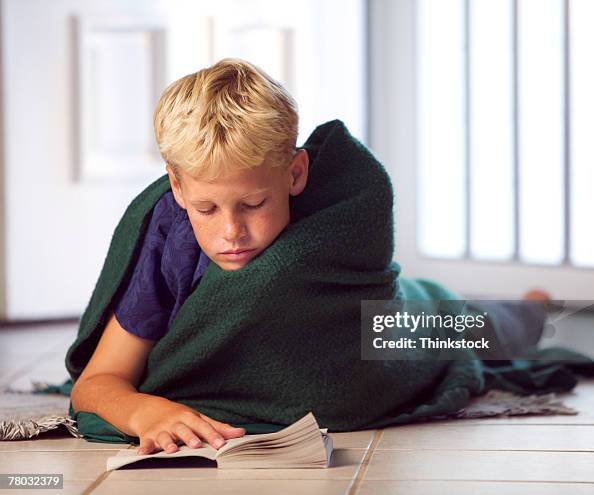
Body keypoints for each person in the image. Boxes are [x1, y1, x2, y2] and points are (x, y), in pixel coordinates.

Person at [69, 57, 550, 457]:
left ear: (296, 173)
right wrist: (143, 410)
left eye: (255, 204)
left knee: (476, 326)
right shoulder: (170, 243)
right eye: (206, 208)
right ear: (177, 187)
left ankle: (532, 306)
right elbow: (98, 382)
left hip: (405, 319)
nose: (231, 232)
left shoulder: (336, 211)